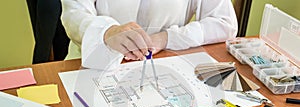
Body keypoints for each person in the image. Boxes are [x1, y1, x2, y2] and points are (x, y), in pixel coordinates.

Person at [61, 0, 238, 69]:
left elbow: (224, 22)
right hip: (92, 62)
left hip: (161, 62)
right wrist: (107, 32)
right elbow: (73, 14)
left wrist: (166, 38)